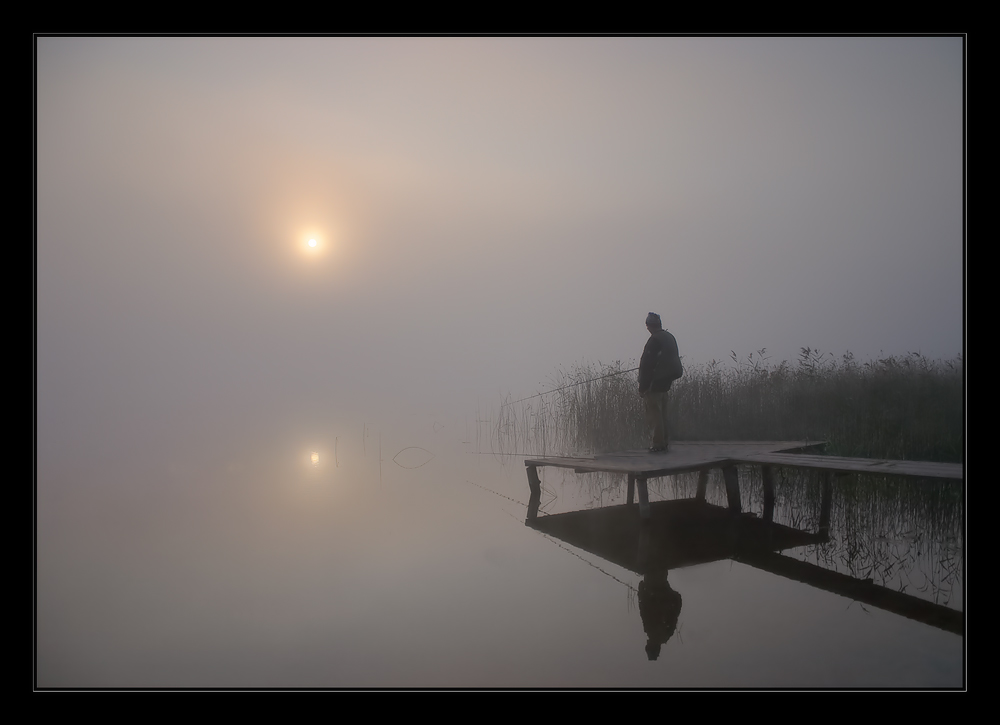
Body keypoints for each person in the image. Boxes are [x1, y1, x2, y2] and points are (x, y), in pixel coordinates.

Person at [638, 312, 681, 453]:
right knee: (662, 414)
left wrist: (642, 387)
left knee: (654, 415)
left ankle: (657, 444)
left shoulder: (654, 340)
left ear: (648, 326)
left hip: (655, 383)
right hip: (666, 382)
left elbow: (646, 365)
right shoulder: (669, 337)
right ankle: (664, 442)